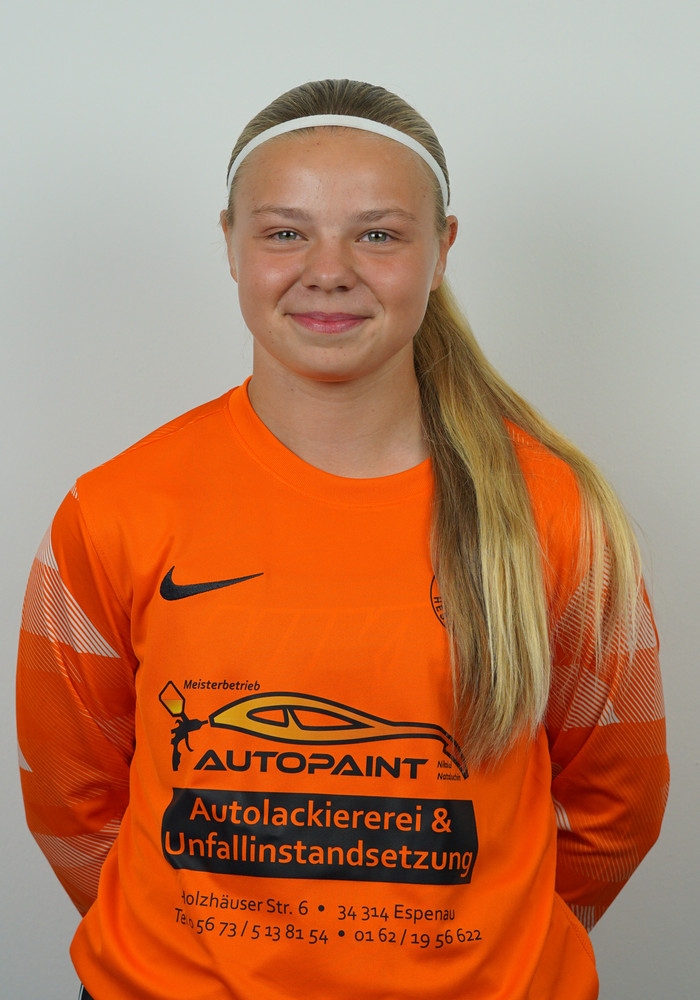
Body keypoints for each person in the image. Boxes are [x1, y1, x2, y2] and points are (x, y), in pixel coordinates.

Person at [16, 79, 668, 1000]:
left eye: (379, 234)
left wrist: (480, 942)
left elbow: (617, 806)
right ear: (230, 244)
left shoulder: (557, 513)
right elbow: (71, 799)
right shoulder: (115, 506)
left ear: (441, 250)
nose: (329, 270)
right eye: (285, 232)